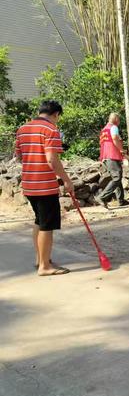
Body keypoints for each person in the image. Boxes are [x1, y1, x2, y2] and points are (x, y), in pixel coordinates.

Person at [15, 100, 74, 276]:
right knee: (47, 226)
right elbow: (52, 159)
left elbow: (19, 156)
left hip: (29, 184)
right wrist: (66, 180)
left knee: (39, 221)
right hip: (45, 186)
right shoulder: (51, 130)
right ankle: (45, 267)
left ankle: (40, 259)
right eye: (58, 118)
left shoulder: (22, 129)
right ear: (56, 114)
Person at [96, 113, 129, 208]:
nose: (119, 122)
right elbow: (114, 138)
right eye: (118, 119)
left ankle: (121, 200)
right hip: (112, 155)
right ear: (115, 119)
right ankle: (101, 197)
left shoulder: (103, 130)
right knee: (117, 177)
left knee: (116, 177)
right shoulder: (113, 127)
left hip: (105, 157)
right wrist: (121, 150)